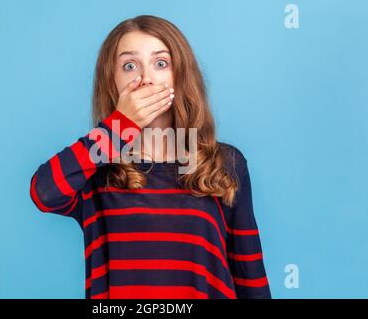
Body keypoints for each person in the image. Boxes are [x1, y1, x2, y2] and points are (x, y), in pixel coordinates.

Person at [30, 15, 271, 299]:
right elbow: (44, 193)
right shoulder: (97, 167)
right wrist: (120, 126)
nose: (145, 78)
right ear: (112, 82)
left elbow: (249, 273)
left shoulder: (224, 163)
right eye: (129, 66)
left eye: (161, 63)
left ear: (180, 75)